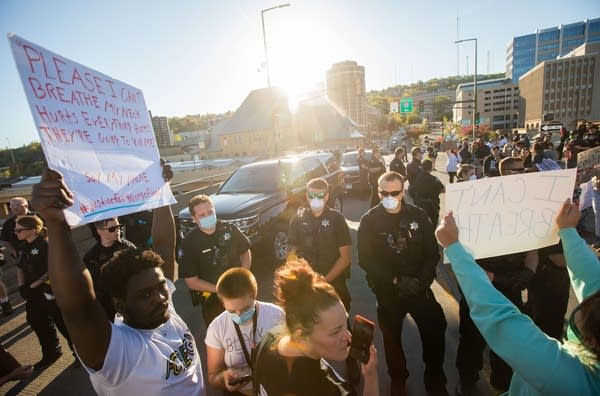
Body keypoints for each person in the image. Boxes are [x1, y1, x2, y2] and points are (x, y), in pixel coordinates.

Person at [30, 166, 206, 395]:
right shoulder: (120, 353)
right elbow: (78, 306)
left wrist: (161, 191)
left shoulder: (164, 311)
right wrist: (55, 224)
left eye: (161, 287)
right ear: (120, 304)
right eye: (144, 294)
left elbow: (163, 246)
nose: (161, 297)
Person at [435, 200, 600, 395]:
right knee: (471, 345)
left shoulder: (567, 379)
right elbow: (592, 279)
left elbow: (502, 322)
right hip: (491, 289)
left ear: (591, 342)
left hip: (498, 292)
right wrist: (568, 232)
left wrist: (455, 249)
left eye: (582, 316)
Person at [358, 171, 448, 396]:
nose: (389, 196)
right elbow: (366, 260)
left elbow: (431, 253)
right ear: (378, 191)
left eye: (395, 192)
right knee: (392, 339)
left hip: (419, 287)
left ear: (403, 190)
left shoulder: (418, 215)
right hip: (389, 291)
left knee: (436, 328)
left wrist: (421, 280)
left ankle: (435, 379)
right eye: (384, 193)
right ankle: (398, 379)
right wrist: (395, 279)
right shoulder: (369, 221)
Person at [253, 259, 379, 396]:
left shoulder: (269, 338)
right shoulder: (327, 389)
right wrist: (371, 376)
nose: (349, 336)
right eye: (335, 331)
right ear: (301, 336)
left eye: (345, 323)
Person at [287, 177, 359, 383]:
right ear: (306, 195)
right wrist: (299, 275)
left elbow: (345, 258)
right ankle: (309, 365)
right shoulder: (298, 219)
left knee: (342, 324)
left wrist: (324, 281)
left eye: (320, 195)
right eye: (312, 195)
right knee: (305, 326)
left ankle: (352, 361)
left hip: (332, 282)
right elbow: (291, 252)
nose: (316, 199)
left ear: (327, 196)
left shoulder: (336, 219)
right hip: (305, 284)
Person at [205, 267, 284, 395]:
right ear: (223, 303)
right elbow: (213, 378)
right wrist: (223, 378)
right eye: (231, 311)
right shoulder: (216, 328)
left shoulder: (276, 315)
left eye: (245, 308)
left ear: (254, 295)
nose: (240, 315)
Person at [179, 194, 251, 327]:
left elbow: (245, 252)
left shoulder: (229, 229)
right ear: (194, 218)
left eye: (210, 212)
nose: (208, 216)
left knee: (248, 326)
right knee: (221, 335)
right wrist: (221, 290)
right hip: (212, 299)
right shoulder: (189, 243)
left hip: (239, 290)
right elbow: (191, 281)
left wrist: (244, 276)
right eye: (202, 215)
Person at [15, 215, 73, 370]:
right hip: (32, 294)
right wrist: (22, 287)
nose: (16, 232)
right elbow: (19, 268)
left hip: (50, 292)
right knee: (37, 322)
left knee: (63, 324)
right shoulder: (22, 247)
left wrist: (35, 284)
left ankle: (79, 355)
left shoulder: (46, 246)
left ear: (33, 230)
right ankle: (51, 353)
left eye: (19, 229)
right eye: (16, 229)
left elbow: (52, 269)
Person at [83, 217, 135, 321]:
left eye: (119, 227)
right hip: (106, 305)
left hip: (129, 300)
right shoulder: (91, 256)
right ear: (99, 232)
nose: (117, 231)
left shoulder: (127, 248)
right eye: (112, 229)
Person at [0, 196, 38, 316]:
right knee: (26, 278)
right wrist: (14, 252)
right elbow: (5, 240)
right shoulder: (8, 224)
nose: (13, 208)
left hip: (41, 253)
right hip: (22, 257)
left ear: (26, 206)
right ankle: (32, 297)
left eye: (17, 205)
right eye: (12, 206)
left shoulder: (38, 217)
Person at [414, 159, 445, 227]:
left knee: (423, 223)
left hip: (420, 203)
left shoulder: (418, 177)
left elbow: (415, 188)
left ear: (422, 167)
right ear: (431, 168)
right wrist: (437, 192)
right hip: (432, 205)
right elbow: (443, 189)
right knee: (433, 223)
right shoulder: (434, 179)